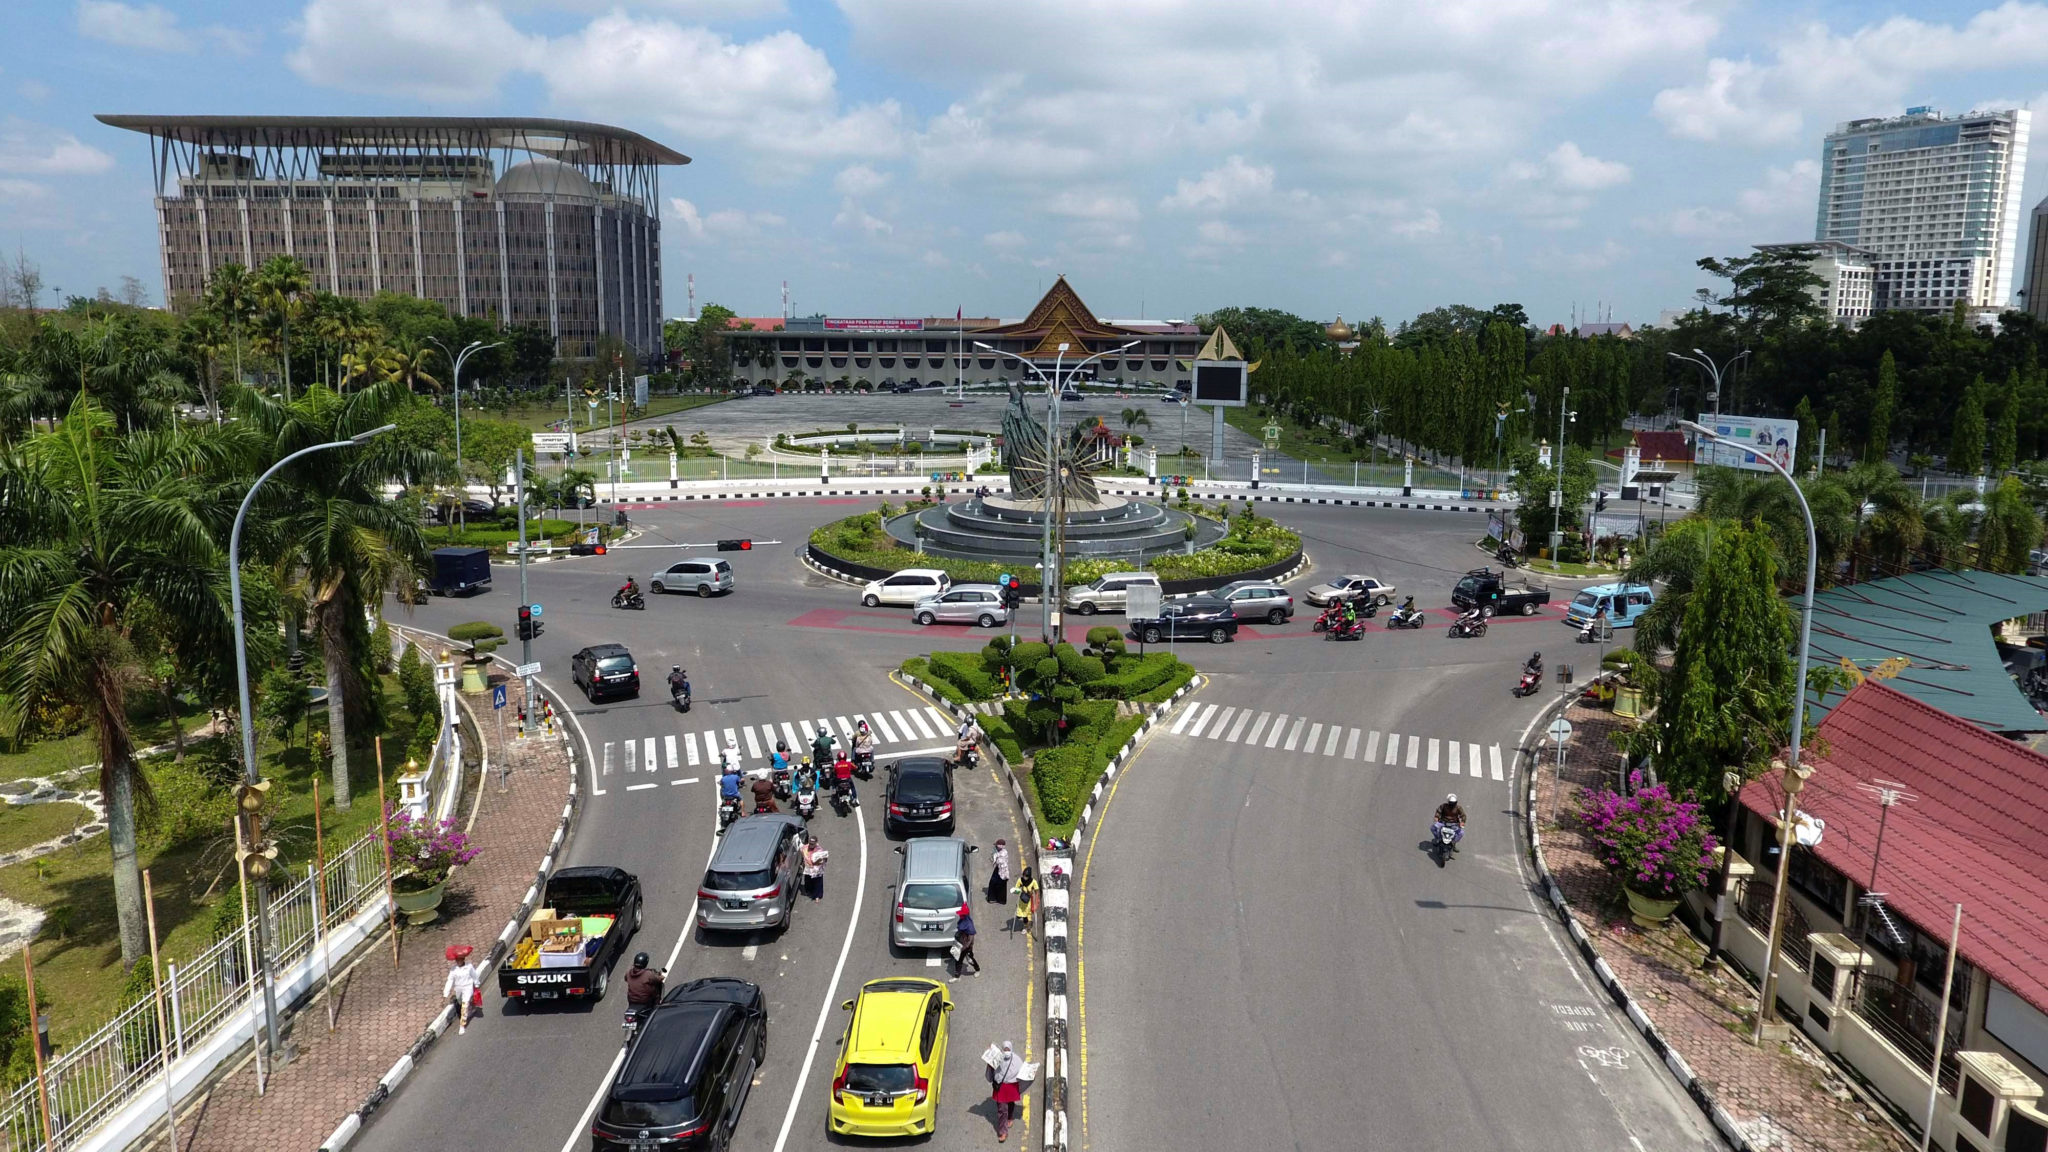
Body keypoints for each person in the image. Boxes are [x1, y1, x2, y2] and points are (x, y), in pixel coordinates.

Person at [987, 1040, 1026, 1142]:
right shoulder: (998, 1058)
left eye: (1008, 1049)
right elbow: (991, 1068)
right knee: (1002, 1110)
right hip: (1001, 1088)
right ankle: (1003, 1131)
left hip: (1011, 1087)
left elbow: (1023, 1071)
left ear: (1011, 1049)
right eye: (1005, 1049)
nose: (1007, 1051)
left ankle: (1010, 1117)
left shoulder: (1016, 1059)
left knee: (1010, 1104)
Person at [442, 946, 481, 1036]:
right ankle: (472, 1008)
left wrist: (477, 984)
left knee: (464, 1005)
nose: (458, 961)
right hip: (458, 989)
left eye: (459, 959)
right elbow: (450, 980)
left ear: (463, 959)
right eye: (457, 960)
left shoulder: (469, 966)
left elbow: (474, 975)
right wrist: (446, 992)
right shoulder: (453, 970)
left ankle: (462, 1026)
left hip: (467, 987)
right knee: (461, 1002)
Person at [950, 907, 980, 981]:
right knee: (958, 960)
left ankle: (977, 969)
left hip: (966, 947)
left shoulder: (970, 927)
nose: (960, 916)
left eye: (961, 914)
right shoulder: (963, 921)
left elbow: (970, 940)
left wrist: (962, 948)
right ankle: (957, 976)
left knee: (970, 959)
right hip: (961, 943)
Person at [801, 833, 828, 900]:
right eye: (810, 843)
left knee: (817, 883)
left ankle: (817, 896)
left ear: (816, 843)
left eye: (812, 844)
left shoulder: (820, 850)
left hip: (817, 870)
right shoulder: (805, 848)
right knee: (808, 881)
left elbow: (824, 859)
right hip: (808, 869)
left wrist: (818, 862)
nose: (811, 845)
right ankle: (809, 891)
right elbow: (802, 852)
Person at [1013, 866, 1038, 937]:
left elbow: (1036, 892)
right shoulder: (1020, 880)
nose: (1024, 877)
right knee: (1018, 916)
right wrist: (1019, 890)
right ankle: (1027, 924)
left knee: (1025, 916)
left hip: (1028, 902)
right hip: (1021, 901)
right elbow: (1016, 889)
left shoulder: (1033, 882)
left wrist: (1036, 903)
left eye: (1026, 876)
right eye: (1024, 875)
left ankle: (1026, 927)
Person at [986, 839, 1011, 904]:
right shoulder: (1004, 851)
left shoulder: (1001, 855)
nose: (995, 847)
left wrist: (994, 858)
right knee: (1001, 886)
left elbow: (999, 863)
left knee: (993, 883)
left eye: (996, 846)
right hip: (1002, 870)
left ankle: (993, 898)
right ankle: (1000, 900)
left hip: (1001, 871)